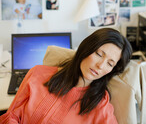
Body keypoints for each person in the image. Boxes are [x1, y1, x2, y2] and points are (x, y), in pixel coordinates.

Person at [0, 28, 132, 123]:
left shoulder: (101, 105)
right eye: (99, 54)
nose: (101, 66)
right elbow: (11, 116)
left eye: (110, 63)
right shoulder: (37, 74)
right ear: (86, 48)